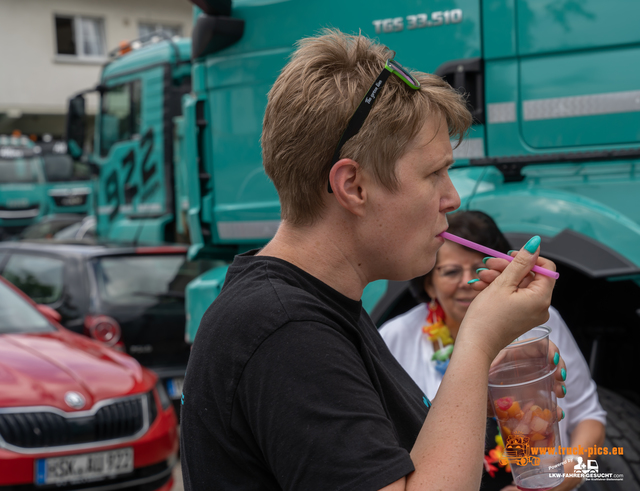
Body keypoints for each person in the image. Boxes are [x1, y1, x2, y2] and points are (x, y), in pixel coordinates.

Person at [180, 29, 566, 491]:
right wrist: (479, 339)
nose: (452, 197)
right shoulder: (284, 329)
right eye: (434, 173)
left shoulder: (313, 306)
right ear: (353, 187)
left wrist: (472, 397)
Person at [380, 210, 606, 491]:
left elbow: (590, 419)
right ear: (429, 283)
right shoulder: (395, 335)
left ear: (500, 273)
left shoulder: (540, 321)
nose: (465, 282)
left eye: (478, 269)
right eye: (450, 271)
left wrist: (553, 484)